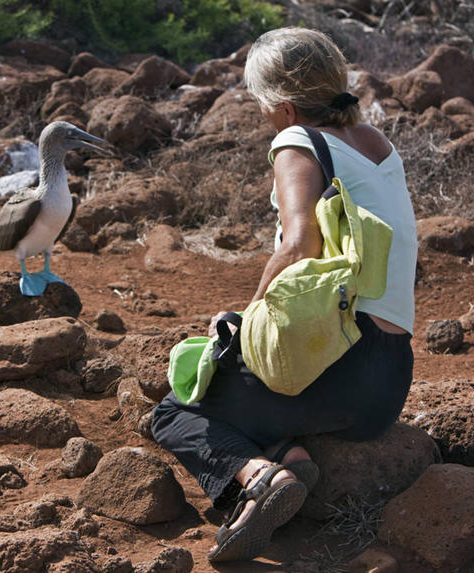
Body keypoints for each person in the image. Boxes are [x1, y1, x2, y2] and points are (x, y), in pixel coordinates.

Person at [151, 27, 417, 563]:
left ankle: (257, 477)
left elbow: (298, 246)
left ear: (285, 105)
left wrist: (248, 320)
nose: (262, 115)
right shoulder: (379, 146)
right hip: (386, 385)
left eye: (261, 104)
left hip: (335, 361)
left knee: (175, 412)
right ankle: (289, 458)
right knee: (254, 401)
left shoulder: (298, 141)